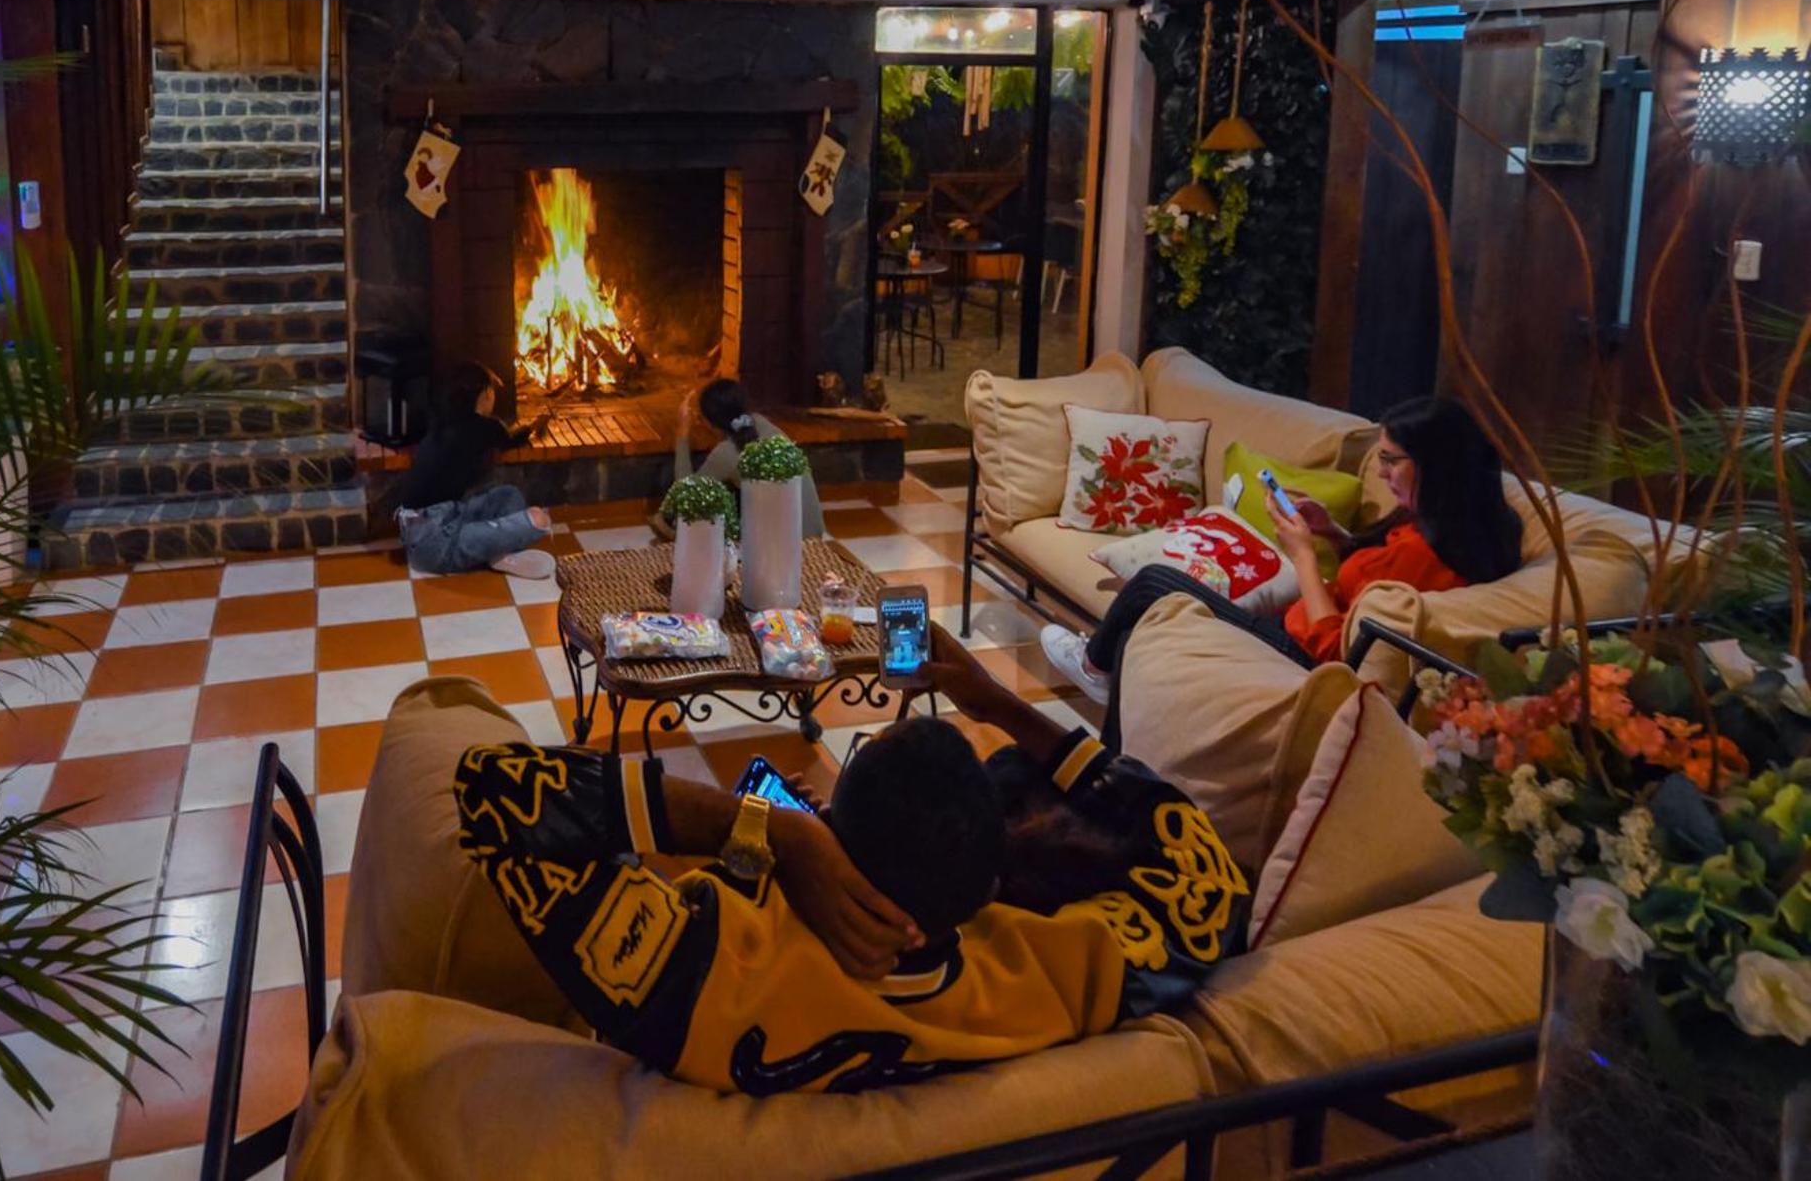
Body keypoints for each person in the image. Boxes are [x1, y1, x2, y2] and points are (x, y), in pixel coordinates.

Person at [452, 624, 1246, 1096]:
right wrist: (995, 702)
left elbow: (494, 788)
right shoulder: (1056, 975)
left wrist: (774, 833)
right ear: (989, 887)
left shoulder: (703, 970)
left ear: (828, 832)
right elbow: (1191, 848)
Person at [1041, 396, 1525, 718]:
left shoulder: (1426, 551)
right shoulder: (1449, 527)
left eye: (1390, 459)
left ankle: (1093, 666)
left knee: (1153, 582)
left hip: (1301, 656)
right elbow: (1373, 574)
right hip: (1293, 626)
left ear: (1435, 465)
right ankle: (1116, 722)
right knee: (1141, 631)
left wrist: (1303, 555)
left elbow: (1334, 651)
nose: (1381, 473)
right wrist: (1332, 533)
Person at [396, 362, 556, 579]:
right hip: (437, 545)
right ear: (486, 394)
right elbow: (510, 441)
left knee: (509, 495)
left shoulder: (439, 421)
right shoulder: (486, 428)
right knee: (538, 520)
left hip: (435, 522)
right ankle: (498, 551)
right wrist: (534, 427)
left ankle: (496, 554)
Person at [672, 378, 823, 537]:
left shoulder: (725, 453)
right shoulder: (763, 424)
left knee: (694, 517)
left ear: (710, 424)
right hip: (815, 536)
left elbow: (685, 498)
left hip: (783, 547)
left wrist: (682, 433)